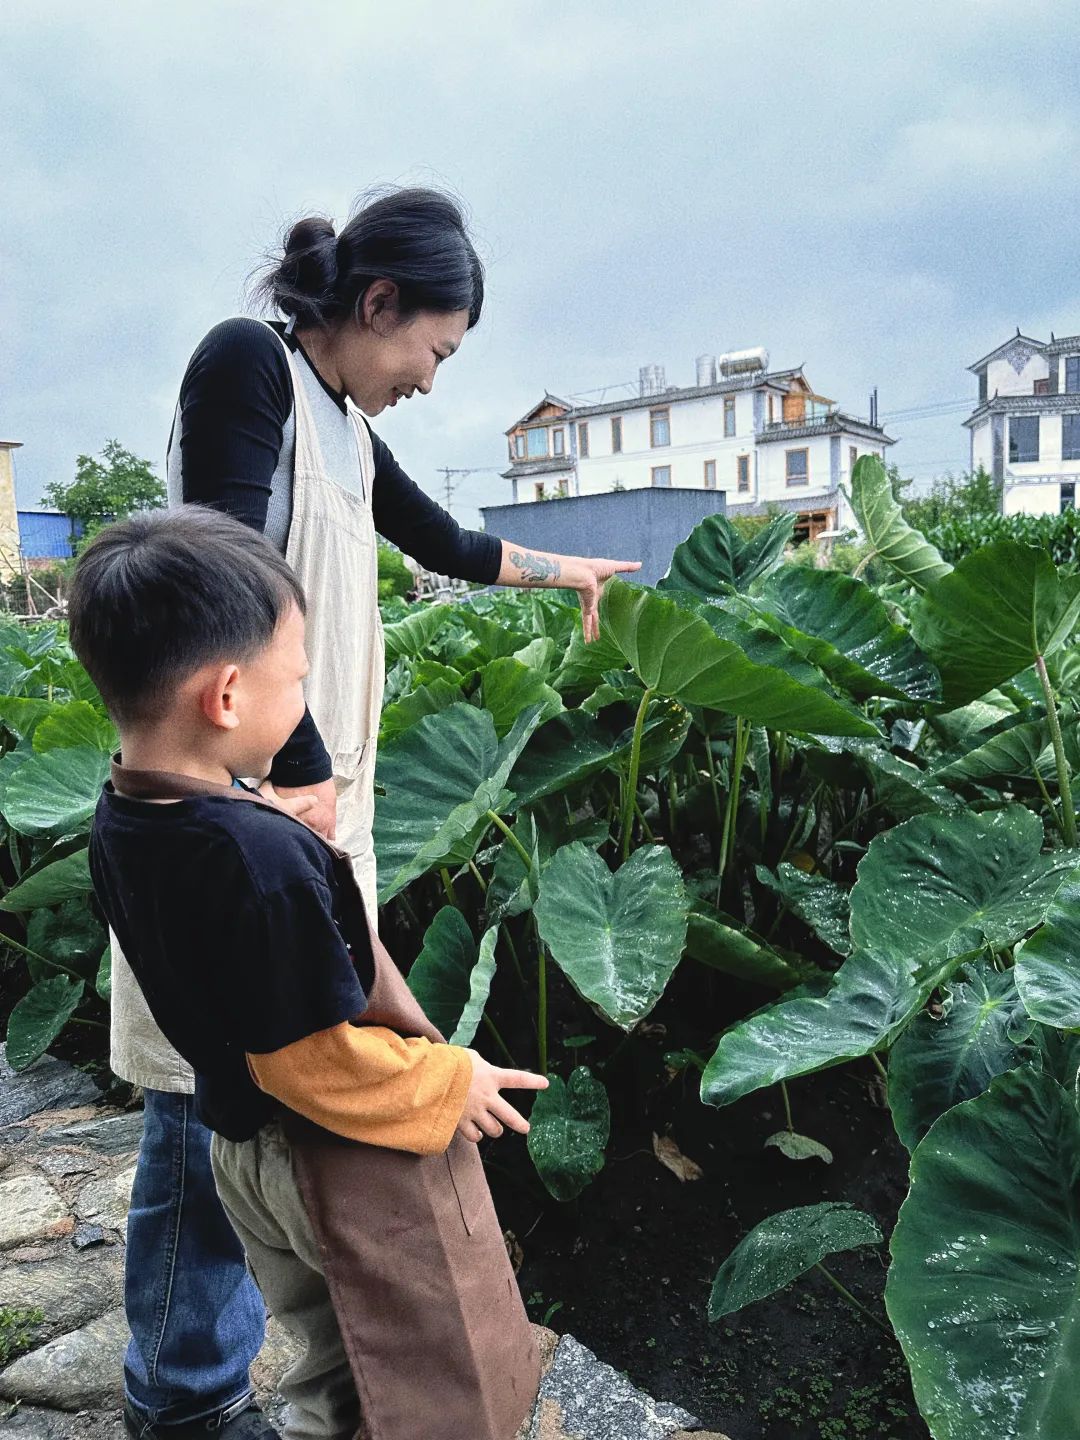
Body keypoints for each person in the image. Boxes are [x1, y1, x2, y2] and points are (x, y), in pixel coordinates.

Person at [110, 186, 640, 1438]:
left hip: (303, 808)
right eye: (435, 350)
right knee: (203, 1108)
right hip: (228, 807)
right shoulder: (251, 369)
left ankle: (260, 1382)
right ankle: (179, 1402)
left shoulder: (344, 422)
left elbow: (444, 539)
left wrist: (567, 570)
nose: (433, 379)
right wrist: (288, 769)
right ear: (377, 302)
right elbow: (219, 570)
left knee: (268, 1108)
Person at [77, 507, 548, 1440]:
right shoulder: (259, 858)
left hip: (234, 1151)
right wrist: (453, 1078)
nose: (303, 704)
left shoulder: (125, 812)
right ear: (225, 697)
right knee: (381, 1365)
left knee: (319, 1343)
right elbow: (307, 1061)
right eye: (295, 680)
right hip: (315, 1160)